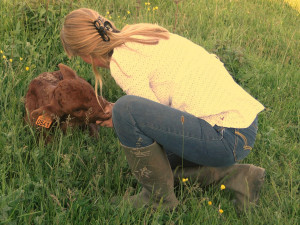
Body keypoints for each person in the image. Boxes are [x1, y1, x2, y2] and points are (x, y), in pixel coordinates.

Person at [60, 8, 266, 211]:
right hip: (242, 127)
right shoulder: (139, 33)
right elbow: (158, 106)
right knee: (155, 168)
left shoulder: (122, 63)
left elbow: (146, 118)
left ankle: (158, 200)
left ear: (86, 53)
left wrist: (119, 116)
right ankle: (240, 177)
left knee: (126, 111)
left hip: (224, 136)